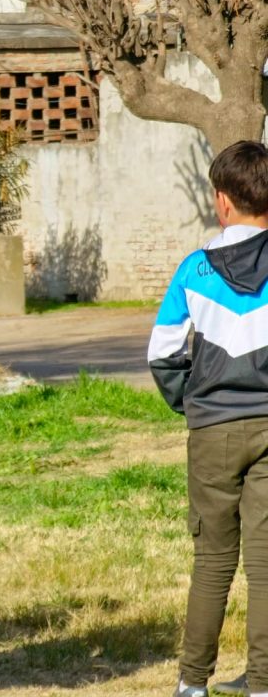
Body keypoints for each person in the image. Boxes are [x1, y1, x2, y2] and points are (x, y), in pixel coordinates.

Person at [148, 140, 268, 697]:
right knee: (266, 563)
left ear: (221, 202)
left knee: (213, 559)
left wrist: (192, 402)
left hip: (213, 429)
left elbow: (162, 353)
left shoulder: (193, 269)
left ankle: (193, 683)